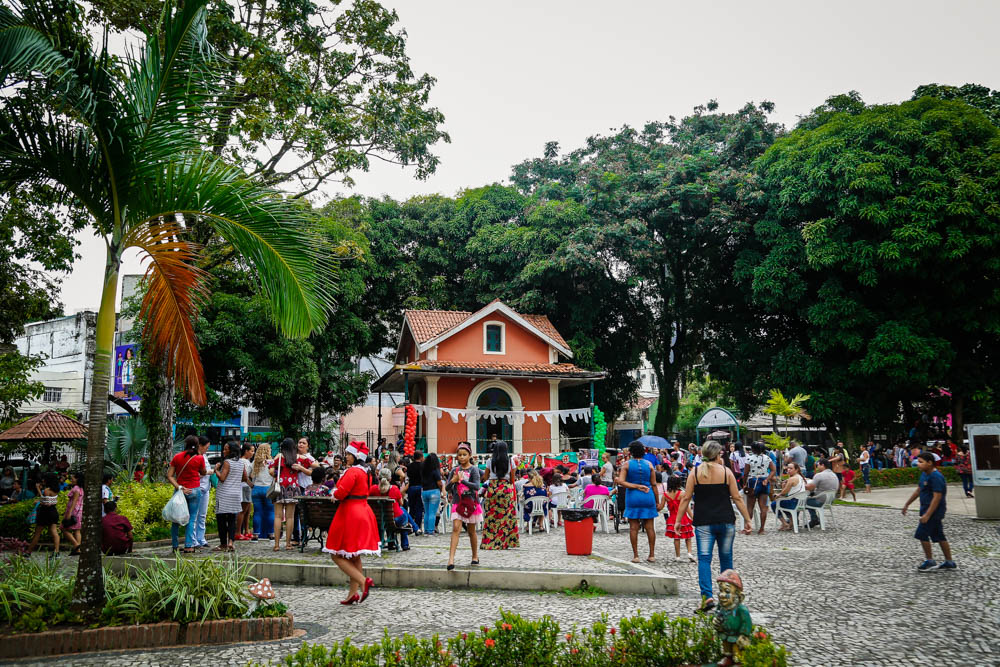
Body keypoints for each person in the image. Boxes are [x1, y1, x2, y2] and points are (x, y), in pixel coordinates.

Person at [674, 440, 753, 613]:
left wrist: (678, 520)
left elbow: (686, 498)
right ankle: (729, 599)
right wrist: (747, 519)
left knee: (704, 559)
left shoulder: (695, 472)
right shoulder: (726, 472)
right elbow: (737, 498)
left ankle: (707, 597)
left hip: (703, 522)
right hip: (725, 520)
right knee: (726, 559)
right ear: (718, 455)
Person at [324, 441, 380, 605]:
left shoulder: (352, 472)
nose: (345, 456)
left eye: (348, 454)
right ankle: (352, 594)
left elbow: (341, 493)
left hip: (350, 513)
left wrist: (334, 492)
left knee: (336, 554)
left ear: (355, 456)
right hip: (363, 510)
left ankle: (363, 582)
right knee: (354, 555)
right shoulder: (366, 472)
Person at [902, 452, 957, 571]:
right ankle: (949, 562)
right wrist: (907, 504)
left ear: (930, 463)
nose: (918, 464)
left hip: (934, 512)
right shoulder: (924, 474)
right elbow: (918, 490)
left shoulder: (936, 477)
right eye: (918, 461)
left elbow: (937, 497)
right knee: (939, 535)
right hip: (926, 509)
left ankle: (930, 561)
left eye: (921, 462)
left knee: (921, 534)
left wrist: (927, 514)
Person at [618, 440, 659, 564]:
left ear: (630, 452)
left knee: (633, 527)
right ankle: (651, 554)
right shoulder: (650, 465)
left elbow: (621, 481)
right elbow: (654, 484)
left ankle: (636, 555)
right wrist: (657, 501)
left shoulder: (626, 465)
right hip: (648, 495)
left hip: (633, 496)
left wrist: (635, 486)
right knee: (650, 527)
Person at [167, 435, 207, 554]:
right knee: (192, 518)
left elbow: (169, 475)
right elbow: (203, 472)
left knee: (175, 519)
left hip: (180, 491)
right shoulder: (199, 458)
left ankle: (175, 545)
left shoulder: (177, 457)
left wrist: (179, 487)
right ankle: (189, 546)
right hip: (194, 490)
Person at [446, 442, 482, 570]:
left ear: (469, 455)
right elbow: (447, 487)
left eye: (464, 455)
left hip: (471, 502)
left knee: (471, 531)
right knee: (456, 528)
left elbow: (477, 486)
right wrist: (453, 481)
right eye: (459, 455)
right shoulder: (454, 470)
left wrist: (463, 481)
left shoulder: (474, 469)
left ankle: (475, 556)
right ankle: (451, 559)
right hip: (457, 502)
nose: (461, 457)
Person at [480, 440, 519, 550]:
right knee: (506, 516)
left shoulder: (489, 461)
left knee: (492, 515)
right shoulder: (510, 461)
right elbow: (512, 479)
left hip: (493, 488)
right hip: (506, 488)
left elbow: (486, 478)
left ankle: (490, 542)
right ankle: (505, 542)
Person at [214, 440, 249, 552]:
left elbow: (222, 478)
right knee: (232, 519)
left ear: (231, 451)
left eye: (226, 449)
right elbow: (244, 477)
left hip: (224, 494)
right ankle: (231, 542)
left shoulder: (227, 462)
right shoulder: (241, 463)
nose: (224, 451)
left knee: (221, 519)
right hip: (235, 494)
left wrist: (216, 470)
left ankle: (223, 544)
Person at [270, 438, 300, 551]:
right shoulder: (297, 458)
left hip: (280, 487)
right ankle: (288, 544)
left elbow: (271, 471)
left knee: (277, 516)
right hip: (293, 488)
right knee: (290, 517)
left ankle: (276, 545)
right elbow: (314, 465)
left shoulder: (279, 457)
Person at [371, 468, 411, 551]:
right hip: (394, 519)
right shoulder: (394, 489)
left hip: (377, 519)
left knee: (393, 515)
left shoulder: (373, 489)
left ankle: (391, 544)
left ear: (379, 478)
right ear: (390, 479)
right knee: (403, 514)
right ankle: (405, 544)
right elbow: (401, 503)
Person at [660, 474, 694, 562]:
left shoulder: (665, 495)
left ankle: (678, 556)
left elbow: (661, 507)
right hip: (683, 518)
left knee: (676, 538)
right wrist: (693, 517)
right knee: (688, 536)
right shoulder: (682, 494)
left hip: (672, 518)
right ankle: (689, 553)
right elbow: (686, 508)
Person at [743, 442, 775, 534]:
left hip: (752, 481)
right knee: (763, 507)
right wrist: (767, 479)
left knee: (750, 506)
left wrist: (744, 483)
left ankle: (748, 528)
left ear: (753, 449)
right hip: (764, 482)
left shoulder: (749, 458)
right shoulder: (767, 458)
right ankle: (762, 529)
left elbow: (745, 473)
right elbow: (773, 470)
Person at [28, 472, 61, 553]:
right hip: (53, 512)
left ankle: (28, 552)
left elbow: (46, 502)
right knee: (54, 532)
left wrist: (38, 490)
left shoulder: (47, 490)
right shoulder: (56, 489)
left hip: (45, 513)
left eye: (44, 478)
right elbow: (50, 501)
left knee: (37, 533)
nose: (43, 480)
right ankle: (56, 552)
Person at [769, 462, 806, 531]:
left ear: (796, 469)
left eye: (791, 468)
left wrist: (778, 495)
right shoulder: (800, 477)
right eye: (788, 468)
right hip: (800, 502)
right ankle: (791, 523)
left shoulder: (792, 479)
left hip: (794, 503)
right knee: (784, 503)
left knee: (774, 504)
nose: (788, 470)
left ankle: (784, 523)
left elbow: (784, 493)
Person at [190, 436, 212, 548]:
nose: (207, 449)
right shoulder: (195, 457)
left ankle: (201, 538)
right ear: (200, 446)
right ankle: (193, 540)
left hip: (205, 489)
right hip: (196, 488)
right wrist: (208, 472)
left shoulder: (204, 456)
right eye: (206, 447)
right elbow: (195, 473)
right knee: (194, 515)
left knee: (202, 515)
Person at [804, 458, 839, 527]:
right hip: (830, 500)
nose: (817, 467)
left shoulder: (819, 475)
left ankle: (794, 521)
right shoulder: (834, 475)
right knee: (809, 499)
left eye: (818, 465)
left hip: (820, 501)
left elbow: (810, 487)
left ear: (822, 465)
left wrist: (802, 484)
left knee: (801, 501)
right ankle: (814, 519)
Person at [251, 441, 275, 541]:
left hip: (256, 488)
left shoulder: (254, 462)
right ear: (268, 451)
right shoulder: (271, 462)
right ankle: (271, 534)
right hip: (268, 488)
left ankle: (255, 535)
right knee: (270, 512)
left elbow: (247, 475)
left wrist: (251, 485)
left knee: (257, 512)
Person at [235, 441, 255, 540]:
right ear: (246, 451)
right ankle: (238, 532)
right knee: (243, 510)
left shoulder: (246, 462)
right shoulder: (244, 462)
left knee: (247, 510)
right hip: (244, 486)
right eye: (251, 451)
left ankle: (246, 530)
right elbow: (245, 476)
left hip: (245, 487)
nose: (252, 453)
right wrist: (251, 484)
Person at [421, 452, 445, 535]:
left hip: (424, 491)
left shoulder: (424, 470)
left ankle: (426, 530)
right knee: (432, 512)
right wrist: (441, 490)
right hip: (434, 491)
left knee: (427, 512)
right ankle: (431, 530)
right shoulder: (435, 470)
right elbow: (439, 482)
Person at [62, 471, 84, 555]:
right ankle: (77, 550)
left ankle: (76, 545)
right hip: (79, 511)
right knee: (77, 530)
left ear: (77, 479)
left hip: (73, 511)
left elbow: (74, 501)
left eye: (73, 478)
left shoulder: (75, 489)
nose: (71, 479)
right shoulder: (81, 488)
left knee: (64, 528)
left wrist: (69, 513)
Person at [406, 451, 425, 533]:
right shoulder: (423, 466)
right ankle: (418, 527)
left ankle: (410, 526)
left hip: (411, 487)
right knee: (419, 508)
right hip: (420, 487)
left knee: (412, 508)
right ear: (421, 457)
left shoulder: (409, 466)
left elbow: (408, 476)